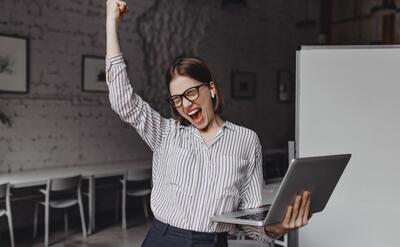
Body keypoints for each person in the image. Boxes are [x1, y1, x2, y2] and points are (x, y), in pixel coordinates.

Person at [105, 1, 311, 246]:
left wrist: (277, 227)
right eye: (177, 99)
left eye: (191, 93)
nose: (186, 104)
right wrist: (112, 23)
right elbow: (122, 101)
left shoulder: (246, 140)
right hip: (164, 239)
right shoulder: (165, 133)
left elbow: (249, 220)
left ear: (211, 89)